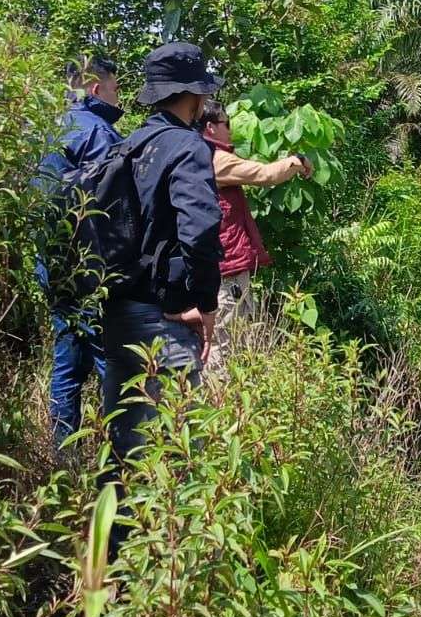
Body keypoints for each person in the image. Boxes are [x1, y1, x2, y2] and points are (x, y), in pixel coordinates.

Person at [100, 41, 224, 468]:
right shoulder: (188, 147)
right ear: (195, 96)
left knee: (124, 451)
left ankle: (110, 516)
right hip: (162, 319)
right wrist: (204, 303)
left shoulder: (130, 145)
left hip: (118, 311)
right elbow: (200, 231)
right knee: (176, 455)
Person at [34, 56, 123, 453]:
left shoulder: (48, 129)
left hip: (53, 265)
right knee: (111, 360)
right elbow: (116, 203)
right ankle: (120, 457)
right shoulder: (97, 132)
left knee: (68, 360)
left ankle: (63, 455)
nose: (118, 97)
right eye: (115, 89)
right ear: (96, 89)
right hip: (92, 268)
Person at [198, 97, 311, 371]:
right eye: (227, 124)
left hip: (215, 266)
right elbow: (265, 174)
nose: (231, 130)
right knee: (224, 346)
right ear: (211, 127)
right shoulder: (215, 158)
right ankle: (217, 396)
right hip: (226, 270)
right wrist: (297, 161)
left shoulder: (196, 154)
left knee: (225, 342)